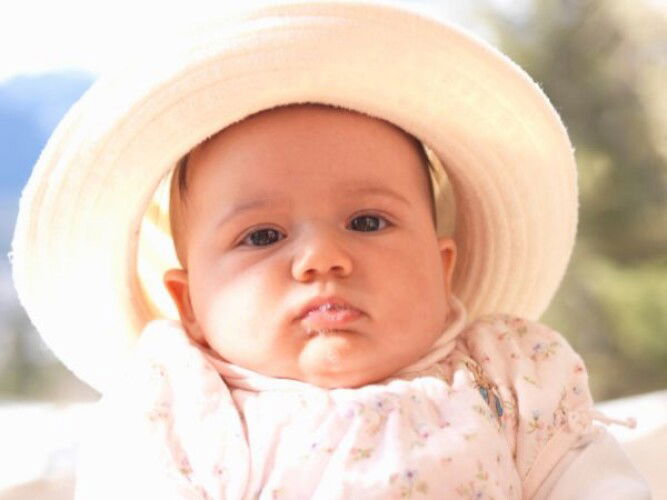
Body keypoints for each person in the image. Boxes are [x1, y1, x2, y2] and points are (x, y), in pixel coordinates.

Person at [10, 1, 651, 498]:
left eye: (368, 221)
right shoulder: (177, 408)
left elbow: (595, 483)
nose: (322, 258)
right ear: (190, 306)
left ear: (442, 266)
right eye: (262, 236)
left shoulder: (507, 374)